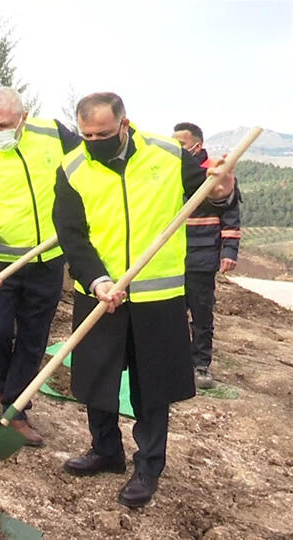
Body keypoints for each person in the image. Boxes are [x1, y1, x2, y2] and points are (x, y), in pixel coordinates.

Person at [53, 92, 235, 508]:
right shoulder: (73, 167)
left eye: (102, 132)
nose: (94, 140)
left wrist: (223, 188)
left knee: (152, 387)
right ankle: (106, 451)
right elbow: (71, 233)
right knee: (95, 379)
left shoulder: (167, 154)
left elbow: (211, 196)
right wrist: (97, 280)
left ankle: (148, 467)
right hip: (101, 294)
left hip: (159, 295)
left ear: (124, 124)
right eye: (86, 134)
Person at [0, 86, 81, 446]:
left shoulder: (54, 135)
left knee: (33, 338)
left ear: (23, 117)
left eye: (4, 124)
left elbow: (92, 161)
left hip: (47, 258)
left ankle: (16, 406)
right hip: (1, 264)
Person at [172, 122, 241, 390]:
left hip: (202, 256)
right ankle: (175, 361)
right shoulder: (170, 171)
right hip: (171, 257)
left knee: (201, 314)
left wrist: (229, 252)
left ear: (196, 146)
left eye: (181, 144)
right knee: (172, 312)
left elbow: (231, 214)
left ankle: (200, 364)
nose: (177, 149)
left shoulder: (214, 174)